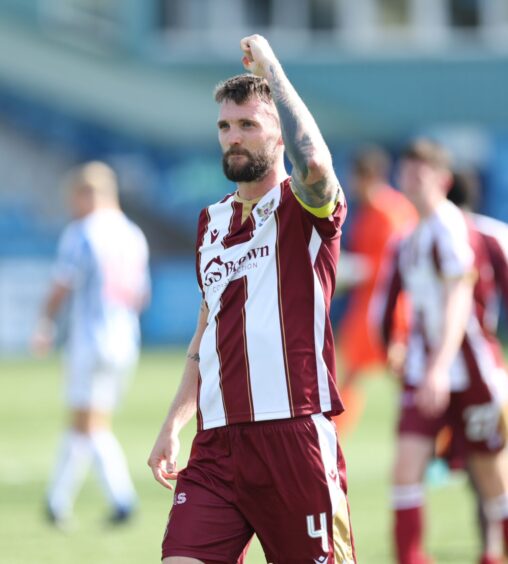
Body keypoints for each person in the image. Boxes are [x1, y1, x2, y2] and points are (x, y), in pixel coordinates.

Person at [147, 34, 356, 564]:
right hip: (217, 446)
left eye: (248, 125)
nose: (232, 137)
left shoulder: (303, 207)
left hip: (293, 436)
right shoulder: (211, 222)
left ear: (279, 135)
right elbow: (207, 329)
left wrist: (274, 71)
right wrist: (174, 421)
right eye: (224, 126)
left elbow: (314, 166)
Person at [375, 140, 508, 564]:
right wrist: (400, 349)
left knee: (491, 475)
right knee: (405, 469)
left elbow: (459, 300)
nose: (412, 177)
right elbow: (393, 307)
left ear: (443, 180)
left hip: (470, 370)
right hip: (425, 372)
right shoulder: (411, 237)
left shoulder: (451, 227)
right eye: (407, 169)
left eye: (422, 171)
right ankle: (411, 556)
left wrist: (438, 366)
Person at [33, 161, 150, 528]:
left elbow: (61, 285)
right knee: (85, 421)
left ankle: (122, 499)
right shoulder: (133, 234)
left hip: (91, 338)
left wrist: (46, 324)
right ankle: (56, 501)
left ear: (88, 194)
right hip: (125, 339)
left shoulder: (83, 232)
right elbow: (141, 297)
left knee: (90, 423)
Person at [334, 146, 417, 433]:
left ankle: (439, 442)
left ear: (367, 176)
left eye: (353, 176)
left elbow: (393, 266)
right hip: (367, 307)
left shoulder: (390, 212)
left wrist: (353, 270)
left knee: (409, 378)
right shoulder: (368, 212)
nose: (349, 182)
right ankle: (330, 440)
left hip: (390, 309)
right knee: (349, 375)